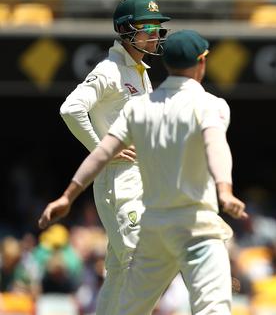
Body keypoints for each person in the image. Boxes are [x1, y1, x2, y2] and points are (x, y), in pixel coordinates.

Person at [39, 30, 248, 314]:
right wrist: (225, 190)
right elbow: (216, 147)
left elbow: (101, 154)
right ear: (202, 63)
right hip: (196, 223)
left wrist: (68, 196)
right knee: (213, 306)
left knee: (127, 298)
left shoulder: (138, 106)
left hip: (155, 226)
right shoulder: (213, 105)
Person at [58, 0, 170, 315]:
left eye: (157, 27)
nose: (154, 35)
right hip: (117, 179)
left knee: (123, 269)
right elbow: (71, 109)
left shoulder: (139, 70)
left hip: (138, 178)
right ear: (126, 29)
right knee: (141, 263)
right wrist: (101, 152)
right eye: (148, 27)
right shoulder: (109, 70)